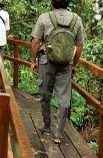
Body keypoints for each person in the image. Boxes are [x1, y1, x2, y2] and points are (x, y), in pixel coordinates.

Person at [30, 0, 85, 138]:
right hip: (66, 64)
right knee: (64, 97)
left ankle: (47, 126)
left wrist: (32, 61)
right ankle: (59, 133)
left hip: (46, 61)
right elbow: (79, 45)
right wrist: (74, 64)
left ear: (52, 3)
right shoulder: (76, 19)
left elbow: (36, 41)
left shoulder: (44, 17)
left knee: (45, 94)